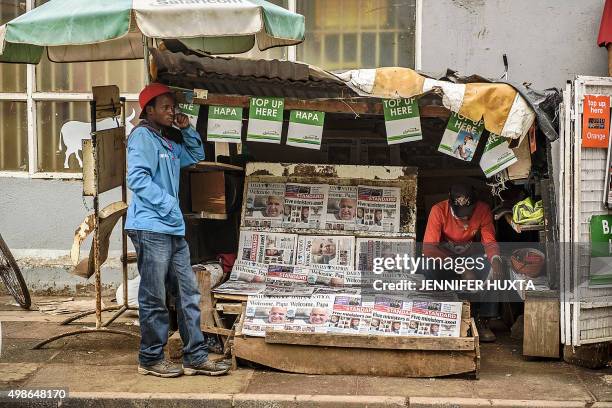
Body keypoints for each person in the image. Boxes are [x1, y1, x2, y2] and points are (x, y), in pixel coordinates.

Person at [125, 83, 228, 377]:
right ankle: (150, 358)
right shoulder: (142, 138)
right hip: (151, 227)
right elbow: (138, 179)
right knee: (154, 296)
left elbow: (194, 155)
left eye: (174, 108)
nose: (172, 112)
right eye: (166, 108)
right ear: (149, 110)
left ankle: (195, 355)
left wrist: (187, 128)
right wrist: (169, 204)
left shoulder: (167, 142)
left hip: (171, 229)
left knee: (188, 293)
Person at [423, 183, 503, 342]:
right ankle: (438, 317)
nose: (465, 217)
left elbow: (490, 242)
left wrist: (496, 260)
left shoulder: (482, 209)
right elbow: (428, 249)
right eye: (460, 214)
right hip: (444, 259)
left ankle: (483, 320)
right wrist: (462, 268)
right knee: (428, 265)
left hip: (469, 257)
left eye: (468, 212)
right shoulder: (438, 210)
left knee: (493, 267)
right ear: (451, 204)